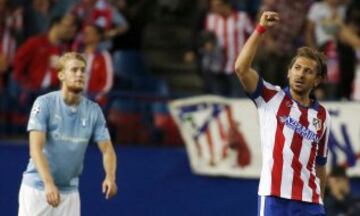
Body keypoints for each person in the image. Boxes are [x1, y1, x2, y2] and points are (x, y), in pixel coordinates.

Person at [234, 11, 331, 215]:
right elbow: (241, 69)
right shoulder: (271, 97)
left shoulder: (322, 115)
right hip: (274, 198)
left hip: (311, 202)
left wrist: (319, 199)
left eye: (308, 71)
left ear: (318, 80)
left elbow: (320, 165)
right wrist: (261, 30)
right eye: (297, 68)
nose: (300, 74)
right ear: (289, 72)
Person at [18, 52, 117, 216]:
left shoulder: (93, 110)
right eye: (74, 70)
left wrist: (110, 177)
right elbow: (35, 149)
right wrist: (49, 183)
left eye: (83, 71)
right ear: (61, 75)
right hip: (38, 189)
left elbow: (107, 149)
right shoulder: (44, 103)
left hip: (70, 193)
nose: (80, 74)